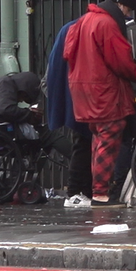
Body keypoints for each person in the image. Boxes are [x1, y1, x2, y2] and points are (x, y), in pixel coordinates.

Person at [64, 0, 136, 208]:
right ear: (120, 4)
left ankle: (97, 191)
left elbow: (68, 53)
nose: (127, 16)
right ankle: (100, 194)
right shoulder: (106, 24)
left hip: (83, 91)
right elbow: (121, 61)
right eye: (127, 10)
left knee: (98, 139)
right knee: (108, 140)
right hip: (104, 92)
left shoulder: (83, 21)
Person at [46, 19, 94, 207]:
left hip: (73, 97)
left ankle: (79, 191)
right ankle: (77, 191)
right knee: (83, 144)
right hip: (82, 97)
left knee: (81, 143)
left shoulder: (68, 31)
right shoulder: (80, 33)